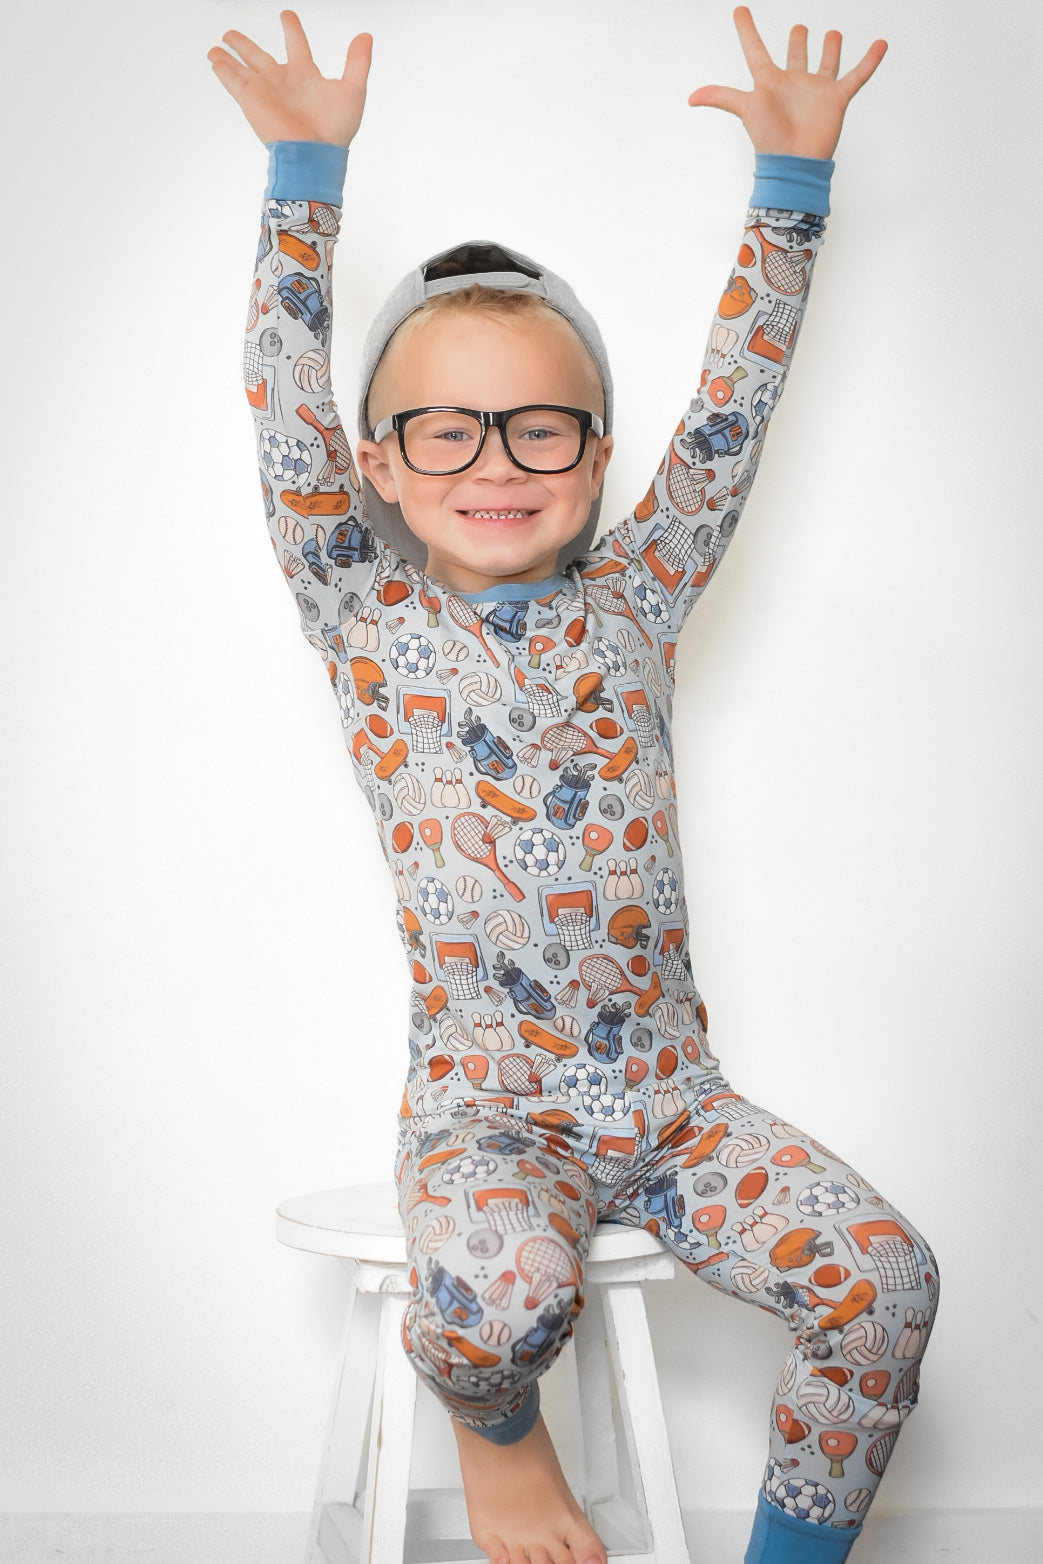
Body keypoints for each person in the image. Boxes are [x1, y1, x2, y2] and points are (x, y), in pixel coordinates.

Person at [208, 9, 939, 1563]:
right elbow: (281, 409)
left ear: (596, 455)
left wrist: (792, 191)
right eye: (446, 429)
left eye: (540, 427)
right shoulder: (360, 606)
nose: (496, 459)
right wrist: (305, 178)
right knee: (500, 1305)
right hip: (487, 1118)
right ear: (378, 463)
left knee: (885, 1289)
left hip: (676, 1110)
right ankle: (498, 1441)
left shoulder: (642, 594)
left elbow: (733, 413)